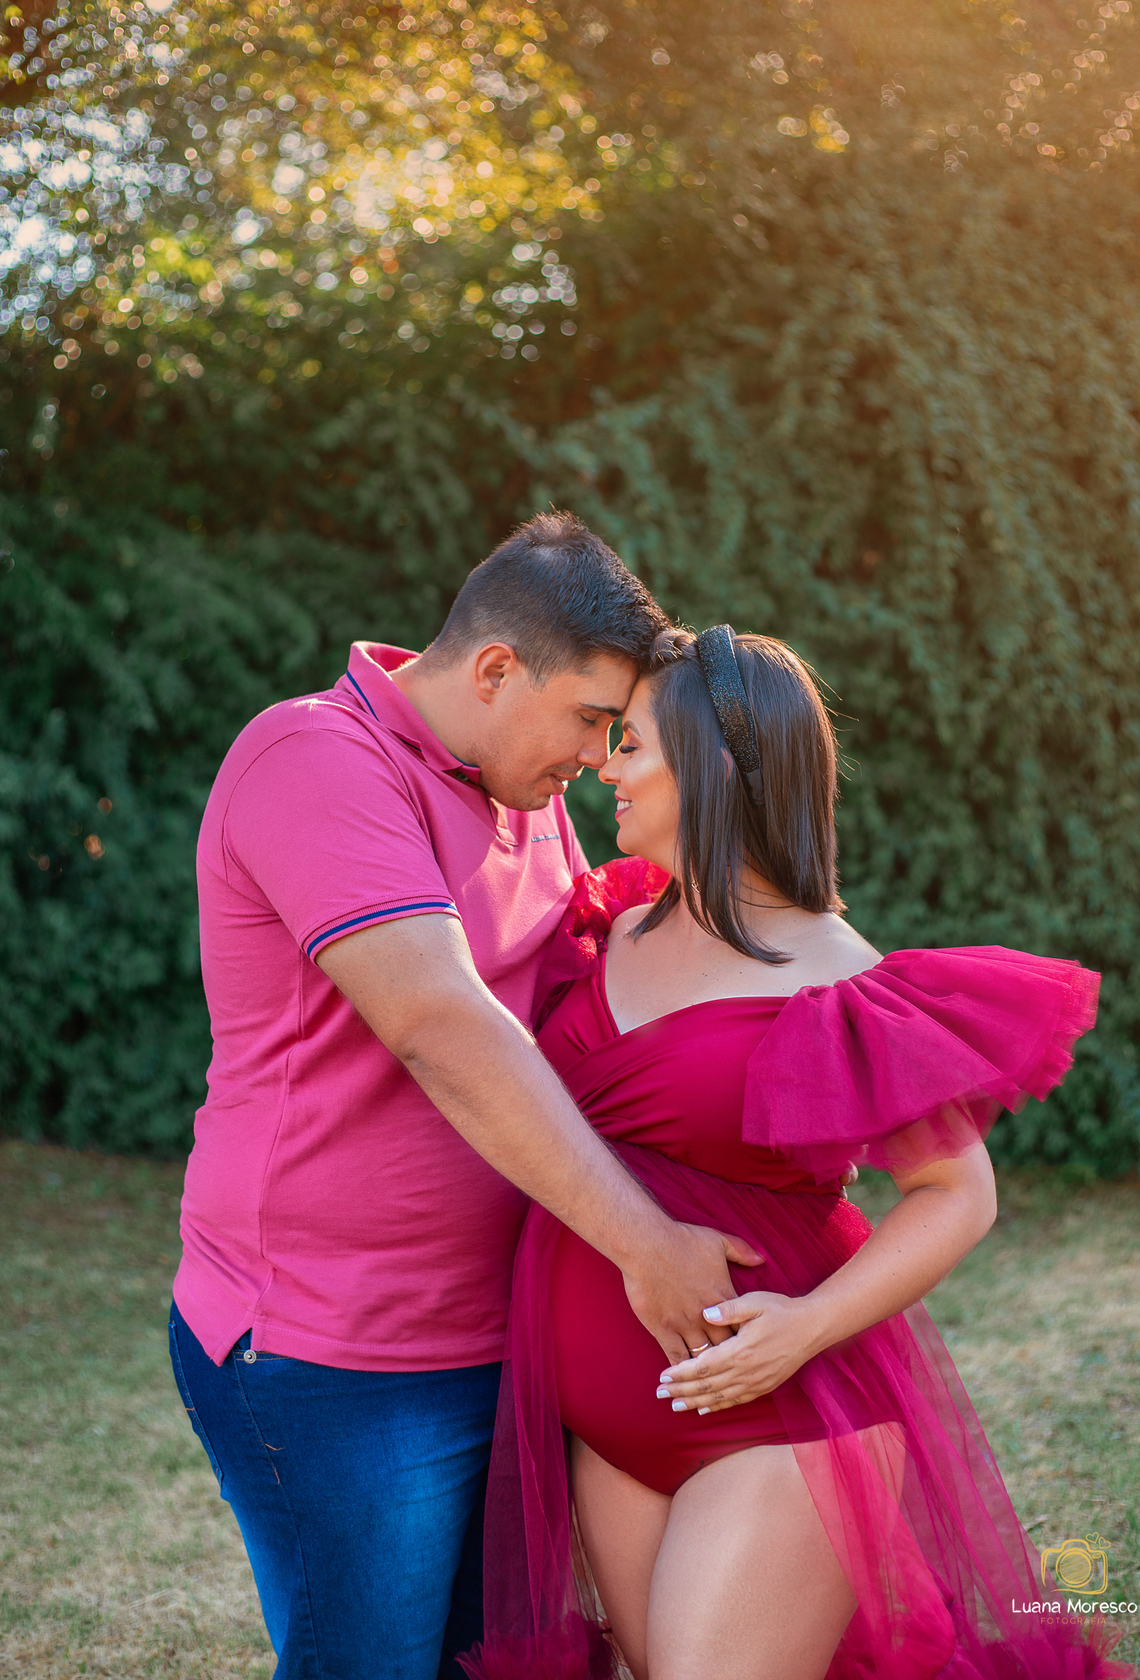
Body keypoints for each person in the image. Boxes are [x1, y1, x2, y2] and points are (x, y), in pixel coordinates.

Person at [462, 627, 1137, 1680]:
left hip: (776, 1422)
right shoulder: (611, 926)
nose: (605, 767)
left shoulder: (835, 979)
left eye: (631, 744)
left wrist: (804, 1329)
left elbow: (956, 1192)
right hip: (606, 1431)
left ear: (712, 767)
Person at [167, 518, 762, 1680]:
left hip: (504, 1335)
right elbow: (442, 1023)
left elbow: (591, 989)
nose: (598, 756)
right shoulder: (312, 757)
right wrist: (646, 1243)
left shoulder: (522, 787)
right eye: (590, 719)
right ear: (495, 670)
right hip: (333, 1357)